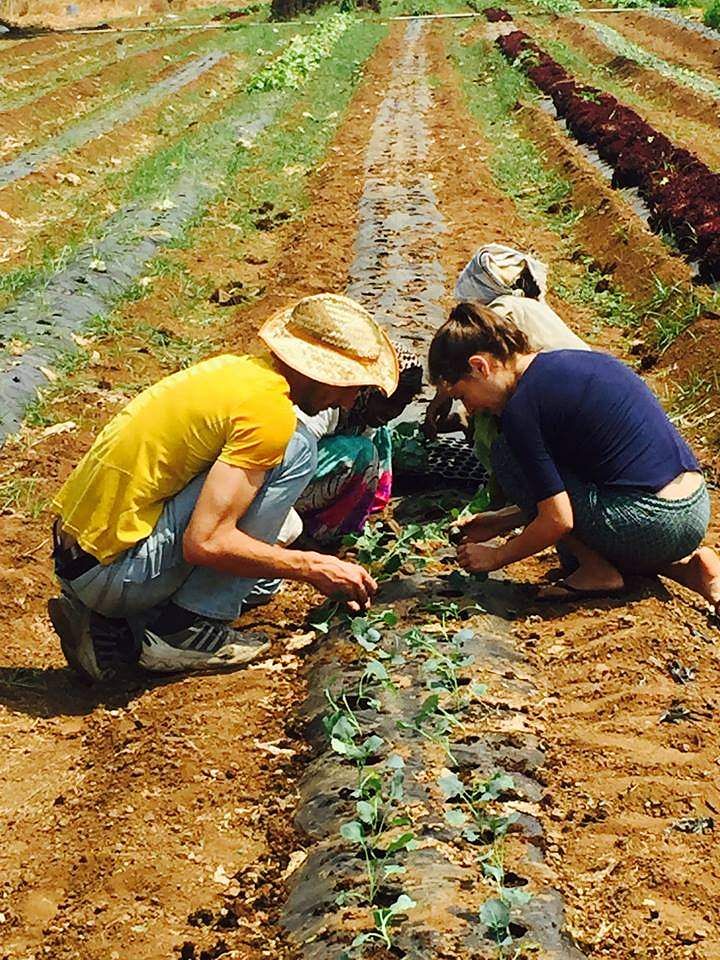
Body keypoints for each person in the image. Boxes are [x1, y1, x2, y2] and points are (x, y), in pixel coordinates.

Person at [48, 293, 398, 682]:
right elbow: (206, 543)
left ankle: (121, 623)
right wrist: (313, 565)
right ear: (324, 371)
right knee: (297, 450)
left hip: (81, 559)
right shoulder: (271, 417)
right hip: (112, 575)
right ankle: (185, 630)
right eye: (351, 385)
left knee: (262, 581)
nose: (350, 401)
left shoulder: (237, 373)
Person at [428, 302, 720, 610]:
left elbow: (559, 519)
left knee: (507, 459)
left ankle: (599, 572)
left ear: (480, 367)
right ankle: (688, 568)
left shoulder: (521, 410)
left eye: (462, 396)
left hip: (651, 519)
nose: (470, 409)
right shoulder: (569, 361)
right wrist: (502, 521)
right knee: (571, 551)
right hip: (694, 508)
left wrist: (497, 556)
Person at [424, 242, 588, 480]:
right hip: (577, 390)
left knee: (493, 427)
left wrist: (456, 404)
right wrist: (447, 396)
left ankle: (510, 484)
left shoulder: (501, 311)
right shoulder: (525, 306)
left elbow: (475, 361)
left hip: (566, 403)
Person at [292, 347, 424, 544]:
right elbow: (292, 458)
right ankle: (314, 532)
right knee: (364, 453)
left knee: (381, 436)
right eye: (388, 401)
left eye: (401, 405)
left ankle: (366, 513)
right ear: (367, 388)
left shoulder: (366, 415)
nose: (393, 412)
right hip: (289, 484)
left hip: (315, 478)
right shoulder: (327, 405)